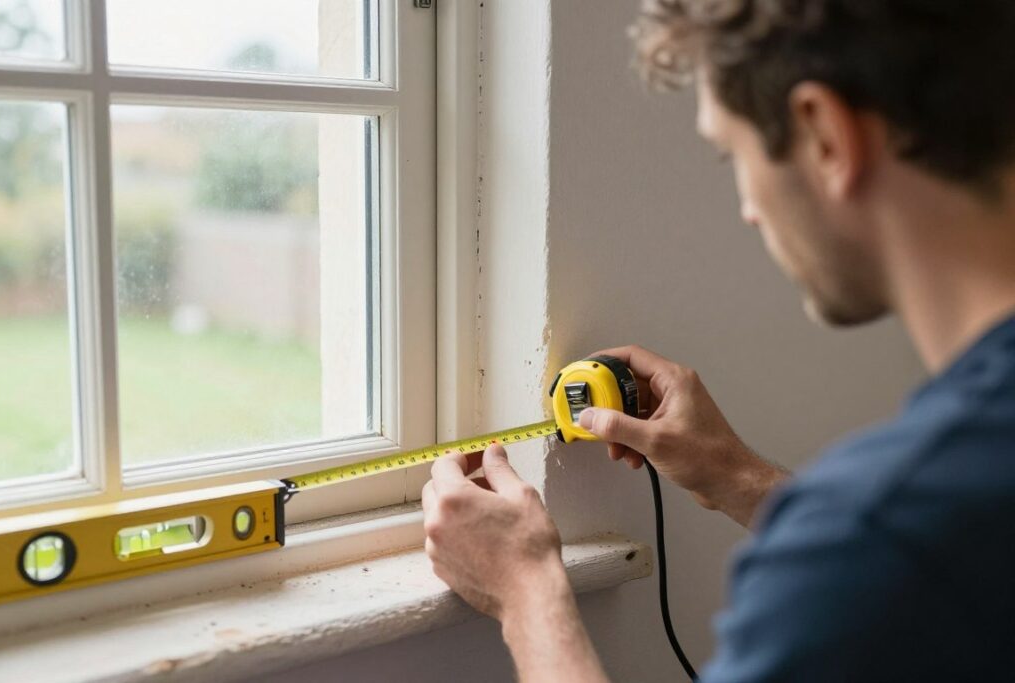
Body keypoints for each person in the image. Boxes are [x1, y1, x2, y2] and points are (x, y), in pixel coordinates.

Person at [421, 0, 1015, 680]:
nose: (749, 208)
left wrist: (526, 592)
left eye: (731, 152)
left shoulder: (870, 539)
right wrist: (737, 478)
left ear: (826, 136)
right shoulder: (930, 515)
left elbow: (897, 553)